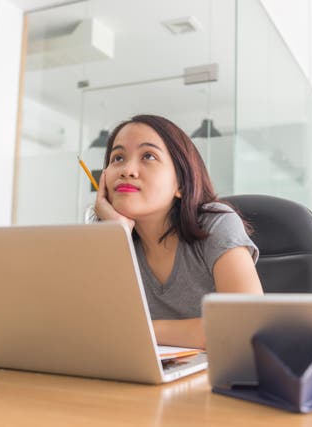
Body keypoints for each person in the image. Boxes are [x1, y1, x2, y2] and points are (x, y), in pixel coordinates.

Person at [93, 114, 263, 349]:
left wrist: (140, 330)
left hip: (215, 378)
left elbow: (246, 324)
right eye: (118, 157)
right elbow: (94, 329)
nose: (127, 170)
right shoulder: (108, 238)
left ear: (181, 184)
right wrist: (117, 237)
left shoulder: (216, 223)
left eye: (148, 156)